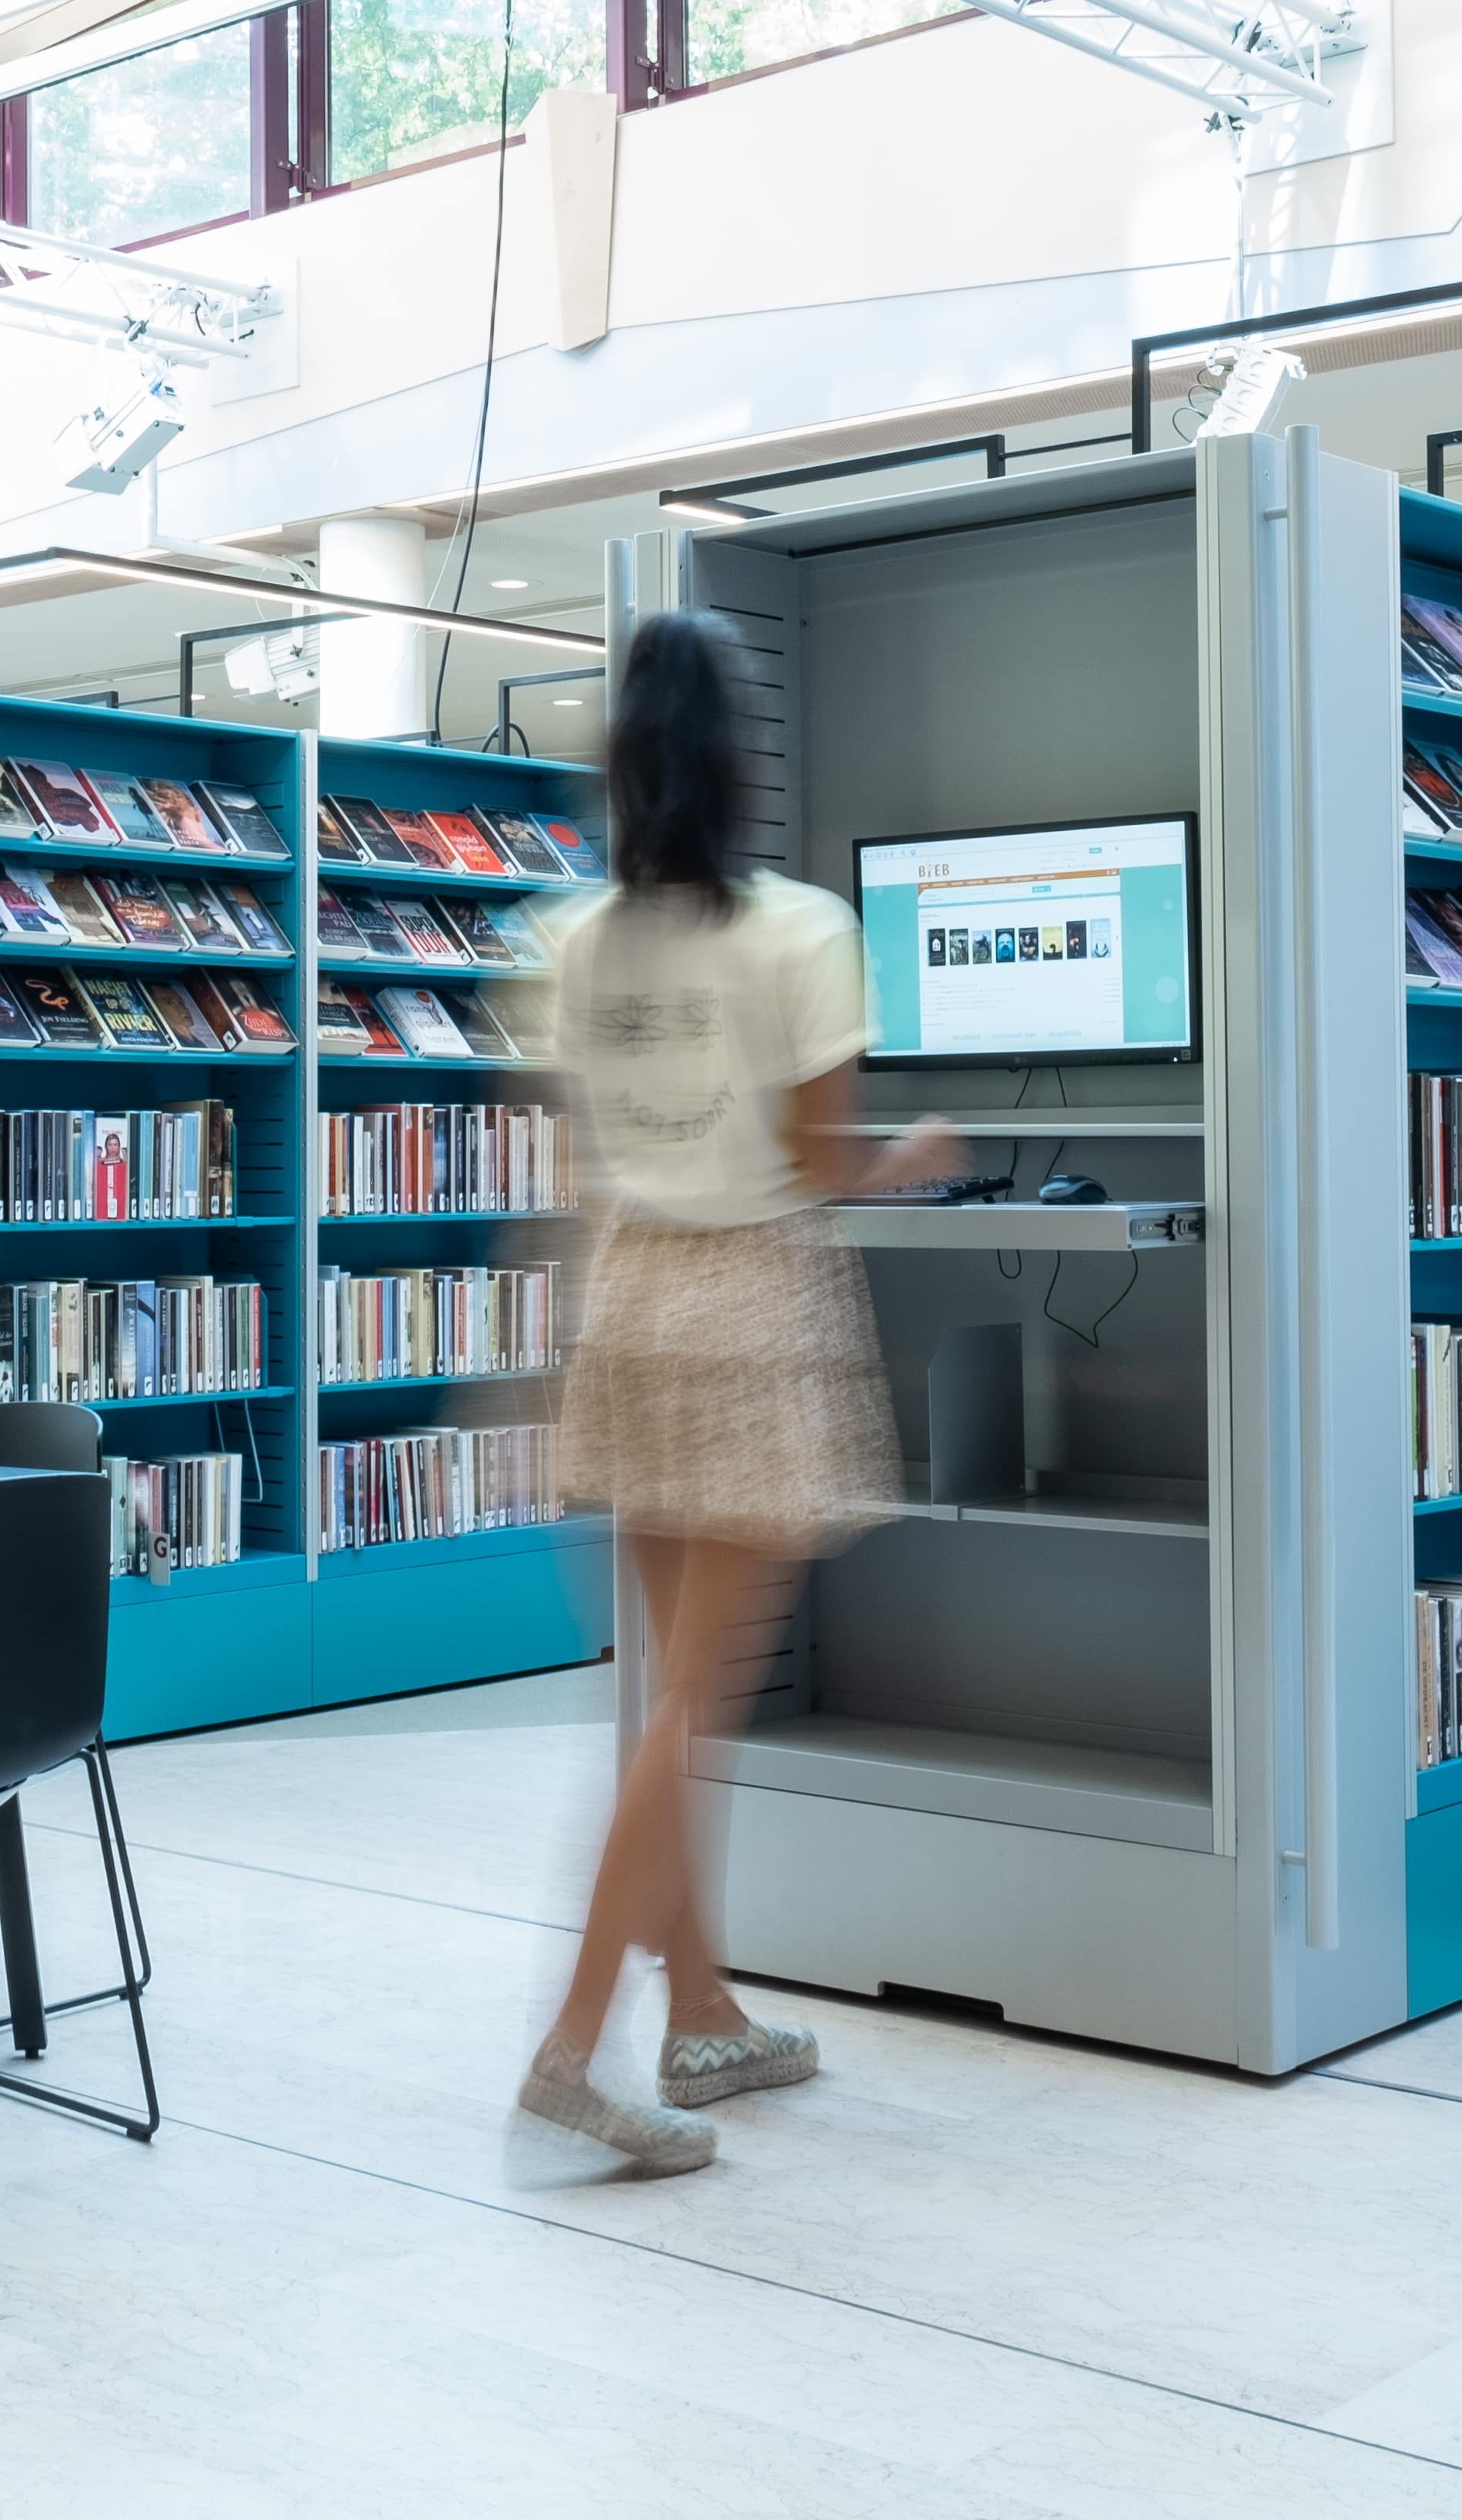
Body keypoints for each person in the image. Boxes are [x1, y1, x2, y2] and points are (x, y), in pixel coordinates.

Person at [522, 607, 964, 2178]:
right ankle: (570, 2047)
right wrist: (917, 1157)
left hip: (629, 1296)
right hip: (752, 1304)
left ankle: (702, 2013)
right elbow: (819, 1161)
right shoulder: (800, 929)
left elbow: (582, 1159)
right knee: (695, 1707)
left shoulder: (575, 936)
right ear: (738, 753)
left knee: (668, 1698)